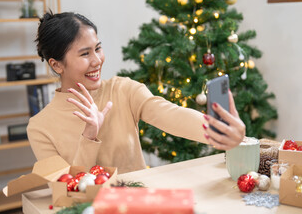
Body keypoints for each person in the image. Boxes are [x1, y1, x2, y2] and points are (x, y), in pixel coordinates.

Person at [27, 11, 245, 174]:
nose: (97, 60)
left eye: (98, 48)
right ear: (57, 65)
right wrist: (89, 135)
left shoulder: (123, 89)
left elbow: (170, 114)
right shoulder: (40, 128)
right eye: (85, 54)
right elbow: (68, 191)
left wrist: (217, 130)